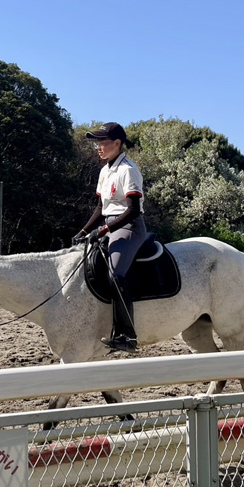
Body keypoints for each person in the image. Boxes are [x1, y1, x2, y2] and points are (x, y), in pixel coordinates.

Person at [73, 122, 146, 352]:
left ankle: (128, 335)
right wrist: (83, 231)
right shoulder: (104, 171)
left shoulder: (128, 170)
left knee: (115, 274)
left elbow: (132, 210)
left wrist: (104, 231)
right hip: (107, 225)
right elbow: (99, 208)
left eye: (102, 142)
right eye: (97, 143)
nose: (98, 147)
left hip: (129, 227)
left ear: (117, 143)